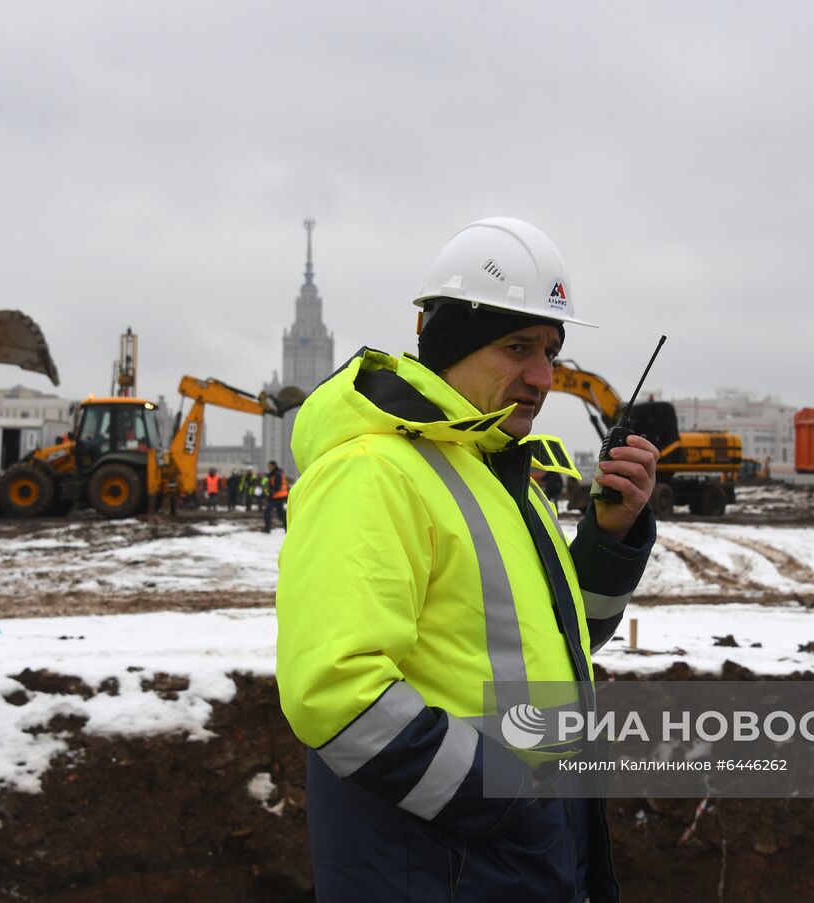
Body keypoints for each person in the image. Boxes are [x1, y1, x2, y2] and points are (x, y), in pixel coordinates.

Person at [276, 217, 658, 902]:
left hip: (524, 852)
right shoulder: (373, 473)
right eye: (517, 347)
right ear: (448, 342)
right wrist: (511, 800)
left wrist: (611, 536)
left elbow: (551, 644)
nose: (543, 377)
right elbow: (336, 694)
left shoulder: (501, 476)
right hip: (448, 863)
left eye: (550, 350)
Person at [263, 460, 288, 530]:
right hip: (279, 496)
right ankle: (287, 528)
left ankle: (267, 528)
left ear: (273, 466)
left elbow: (277, 487)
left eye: (269, 466)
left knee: (267, 512)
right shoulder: (277, 473)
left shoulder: (277, 474)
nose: (268, 467)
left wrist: (270, 491)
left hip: (277, 497)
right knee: (280, 515)